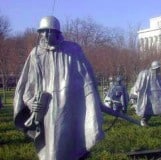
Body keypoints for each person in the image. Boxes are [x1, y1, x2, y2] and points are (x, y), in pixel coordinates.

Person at [13, 16, 104, 160]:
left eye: (48, 31)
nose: (45, 35)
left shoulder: (73, 50)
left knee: (75, 140)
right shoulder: (36, 54)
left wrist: (91, 99)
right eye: (42, 32)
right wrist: (32, 104)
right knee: (53, 147)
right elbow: (28, 87)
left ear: (57, 32)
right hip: (48, 108)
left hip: (71, 104)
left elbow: (86, 79)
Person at [130, 61, 161, 126]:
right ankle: (144, 121)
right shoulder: (145, 73)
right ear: (155, 68)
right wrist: (135, 92)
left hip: (157, 95)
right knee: (148, 109)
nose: (159, 69)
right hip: (148, 95)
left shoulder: (158, 76)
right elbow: (139, 84)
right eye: (158, 68)